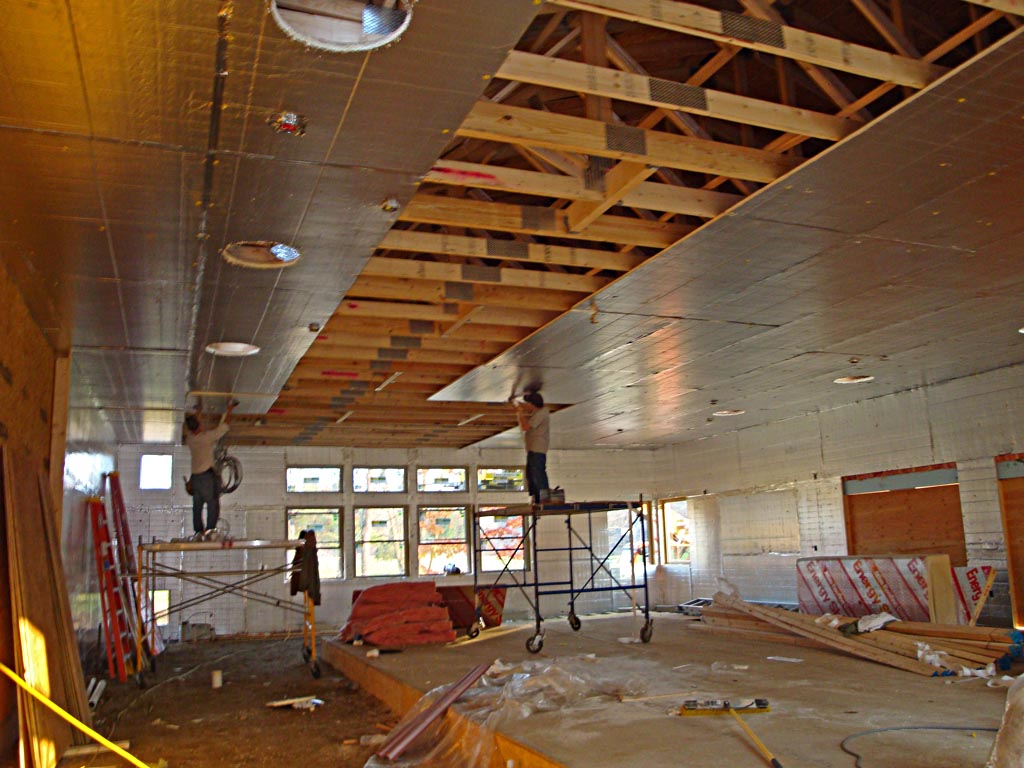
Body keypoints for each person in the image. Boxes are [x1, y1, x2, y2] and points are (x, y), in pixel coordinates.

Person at [184, 398, 235, 540]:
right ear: (199, 426)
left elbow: (195, 426)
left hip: (195, 478)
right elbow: (224, 426)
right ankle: (211, 530)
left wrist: (198, 412)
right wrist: (229, 409)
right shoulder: (206, 438)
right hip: (206, 478)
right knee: (212, 503)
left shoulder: (190, 439)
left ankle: (199, 532)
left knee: (197, 506)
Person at [512, 390, 550, 503]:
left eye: (528, 403)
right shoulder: (539, 412)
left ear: (532, 404)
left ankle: (543, 497)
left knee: (537, 473)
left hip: (537, 448)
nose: (527, 406)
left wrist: (519, 413)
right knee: (532, 474)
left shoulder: (541, 413)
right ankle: (536, 497)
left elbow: (525, 427)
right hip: (534, 449)